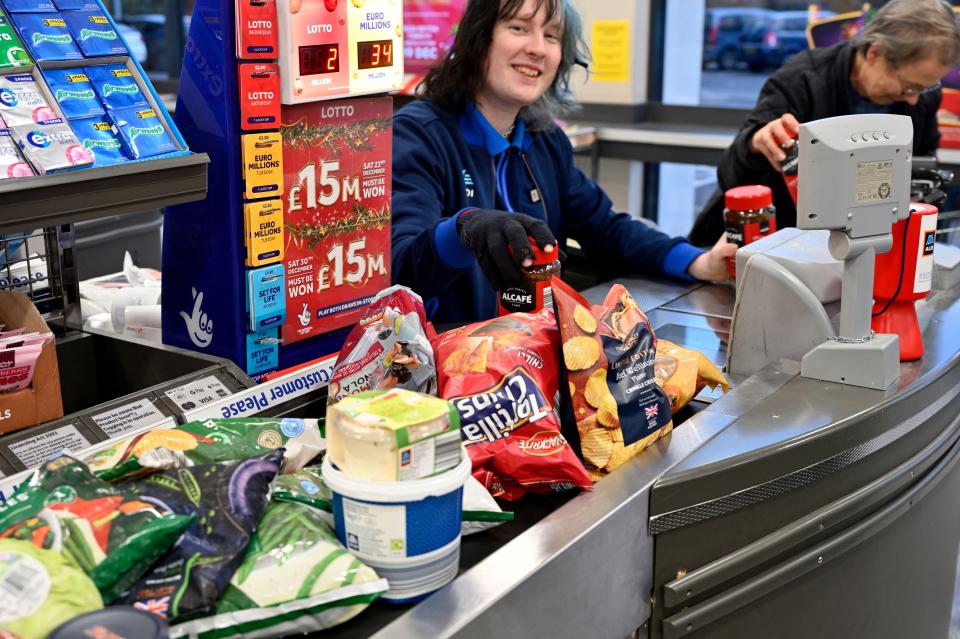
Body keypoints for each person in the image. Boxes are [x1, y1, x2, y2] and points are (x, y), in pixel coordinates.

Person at [391, 0, 735, 323]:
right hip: (444, 370)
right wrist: (464, 229)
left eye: (552, 36)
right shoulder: (420, 135)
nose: (538, 48)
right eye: (519, 28)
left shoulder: (544, 140)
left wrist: (699, 261)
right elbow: (400, 269)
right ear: (477, 38)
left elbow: (606, 229)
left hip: (533, 359)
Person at [688, 0, 960, 246]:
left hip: (866, 248)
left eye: (922, 89)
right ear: (875, 53)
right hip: (774, 245)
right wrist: (755, 145)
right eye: (908, 87)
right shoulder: (803, 79)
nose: (913, 100)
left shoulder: (924, 96)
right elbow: (731, 177)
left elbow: (918, 170)